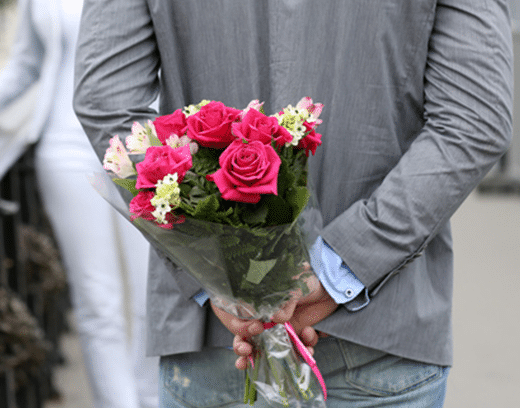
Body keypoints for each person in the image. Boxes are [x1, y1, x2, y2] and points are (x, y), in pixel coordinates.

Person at [73, 1, 513, 406]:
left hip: (218, 334)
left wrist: (227, 275)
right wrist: (341, 266)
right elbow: (475, 120)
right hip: (379, 328)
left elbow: (107, 103)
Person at [0, 0, 159, 407]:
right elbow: (26, 63)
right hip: (66, 148)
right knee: (97, 300)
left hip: (141, 145)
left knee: (153, 296)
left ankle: (154, 399)